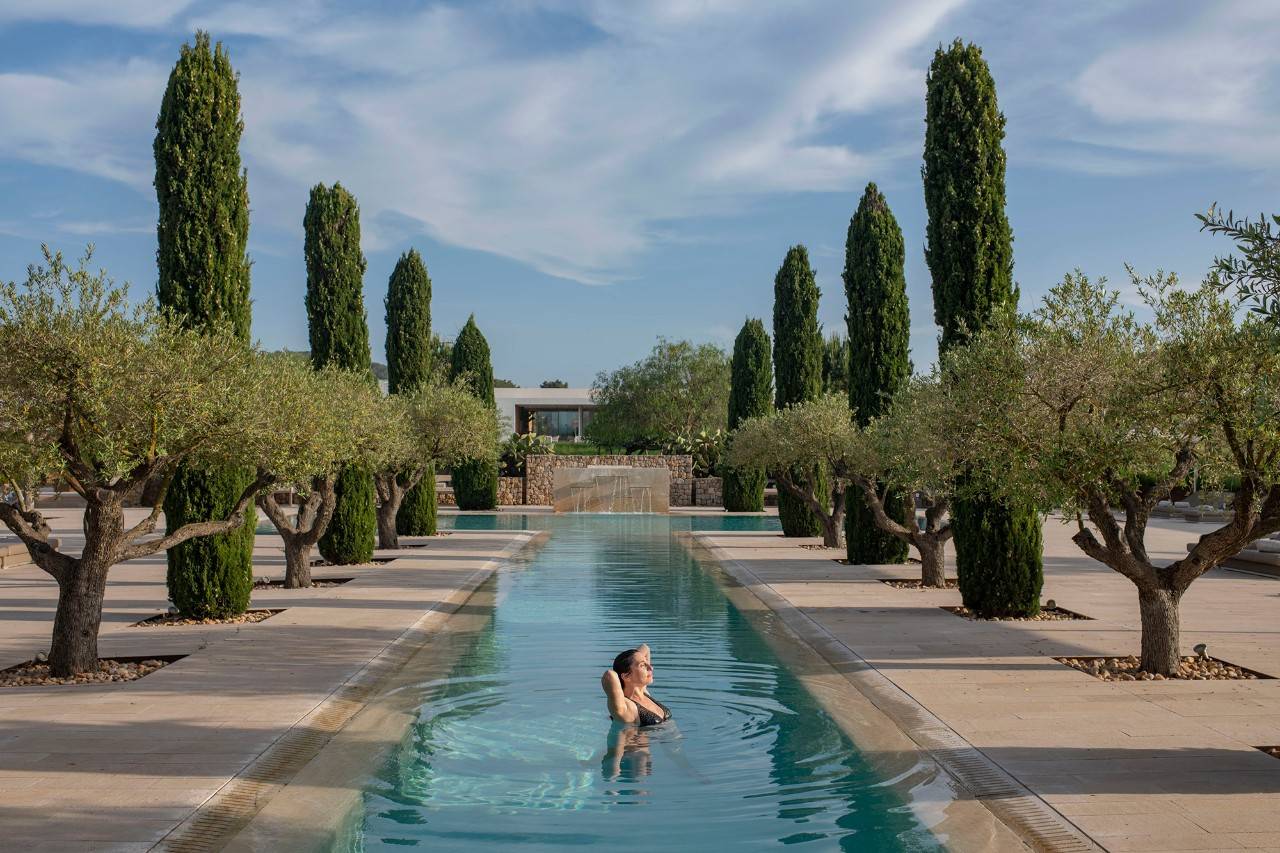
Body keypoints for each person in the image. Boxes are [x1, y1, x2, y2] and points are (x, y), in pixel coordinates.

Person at [600, 643, 672, 726]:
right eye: (642, 665)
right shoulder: (626, 707)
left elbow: (645, 647)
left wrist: (636, 658)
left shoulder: (644, 693)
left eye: (647, 663)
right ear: (626, 676)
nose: (651, 668)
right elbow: (609, 675)